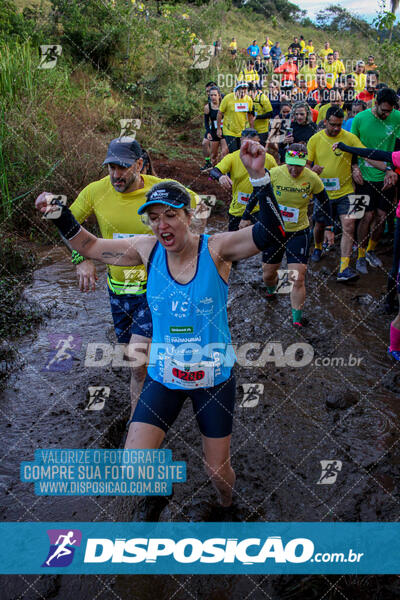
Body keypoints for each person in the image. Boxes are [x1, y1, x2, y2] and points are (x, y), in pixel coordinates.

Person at [35, 140, 286, 509]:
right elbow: (89, 245)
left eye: (170, 215)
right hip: (165, 377)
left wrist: (259, 178)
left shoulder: (217, 249)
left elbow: (272, 235)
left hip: (213, 379)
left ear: (188, 215)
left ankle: (228, 507)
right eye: (154, 217)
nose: (161, 224)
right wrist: (58, 214)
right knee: (135, 465)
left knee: (218, 474)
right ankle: (160, 494)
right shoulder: (145, 248)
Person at [36, 138, 201, 420]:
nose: (115, 174)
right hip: (119, 291)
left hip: (156, 289)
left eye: (122, 167)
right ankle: (150, 409)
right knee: (134, 360)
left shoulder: (161, 190)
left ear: (139, 164)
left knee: (138, 361)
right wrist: (82, 259)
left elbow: (196, 210)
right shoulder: (96, 191)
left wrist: (187, 254)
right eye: (111, 166)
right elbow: (70, 228)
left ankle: (141, 427)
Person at [240, 143, 329, 325]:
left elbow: (326, 203)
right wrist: (246, 217)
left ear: (305, 163)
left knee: (297, 277)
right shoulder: (274, 173)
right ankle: (271, 289)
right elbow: (257, 194)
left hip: (299, 232)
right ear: (284, 161)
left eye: (298, 165)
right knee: (268, 274)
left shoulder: (312, 179)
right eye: (291, 164)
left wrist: (329, 228)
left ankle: (296, 319)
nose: (294, 169)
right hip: (274, 231)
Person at [331, 141, 400, 358]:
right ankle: (358, 258)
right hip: (360, 185)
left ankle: (368, 252)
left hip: (386, 187)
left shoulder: (395, 122)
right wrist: (349, 152)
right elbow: (372, 151)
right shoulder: (357, 122)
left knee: (379, 217)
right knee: (360, 218)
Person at [307, 107, 366, 281]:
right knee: (319, 225)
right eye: (332, 125)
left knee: (349, 226)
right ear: (325, 122)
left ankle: (344, 268)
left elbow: (363, 153)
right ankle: (318, 247)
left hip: (346, 191)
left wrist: (356, 167)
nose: (336, 129)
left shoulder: (349, 137)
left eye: (339, 125)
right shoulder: (315, 139)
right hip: (322, 192)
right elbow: (306, 165)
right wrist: (312, 170)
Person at [351, 87, 400, 274]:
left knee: (381, 215)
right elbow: (353, 147)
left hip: (388, 175)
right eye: (384, 110)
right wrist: (354, 168)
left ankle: (371, 250)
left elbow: (399, 147)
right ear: (376, 103)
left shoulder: (397, 117)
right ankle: (360, 254)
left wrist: (393, 170)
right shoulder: (360, 118)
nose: (387, 114)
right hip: (364, 177)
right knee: (365, 215)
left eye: (390, 111)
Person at [210, 128, 277, 230]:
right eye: (246, 143)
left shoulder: (268, 159)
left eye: (253, 143)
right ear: (241, 141)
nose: (249, 147)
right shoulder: (233, 157)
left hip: (259, 210)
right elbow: (213, 171)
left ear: (258, 141)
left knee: (259, 243)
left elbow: (277, 180)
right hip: (238, 209)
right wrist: (221, 177)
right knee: (233, 243)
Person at [217, 82, 254, 153]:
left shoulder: (248, 100)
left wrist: (252, 128)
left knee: (242, 152)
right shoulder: (228, 98)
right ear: (236, 90)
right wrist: (219, 129)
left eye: (245, 91)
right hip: (229, 131)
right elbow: (220, 113)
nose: (243, 94)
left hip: (242, 131)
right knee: (234, 152)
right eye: (241, 92)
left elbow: (250, 115)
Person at [203, 86, 228, 165]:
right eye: (211, 95)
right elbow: (206, 122)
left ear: (219, 95)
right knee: (214, 155)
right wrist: (208, 132)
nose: (213, 97)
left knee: (225, 153)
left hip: (224, 131)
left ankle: (223, 172)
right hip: (214, 131)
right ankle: (214, 173)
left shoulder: (224, 105)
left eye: (215, 95)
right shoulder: (207, 107)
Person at [201, 81, 219, 171]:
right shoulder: (209, 102)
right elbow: (206, 119)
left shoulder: (223, 98)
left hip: (224, 127)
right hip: (213, 126)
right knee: (204, 143)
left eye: (210, 92)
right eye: (207, 92)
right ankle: (208, 163)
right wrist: (208, 131)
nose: (209, 94)